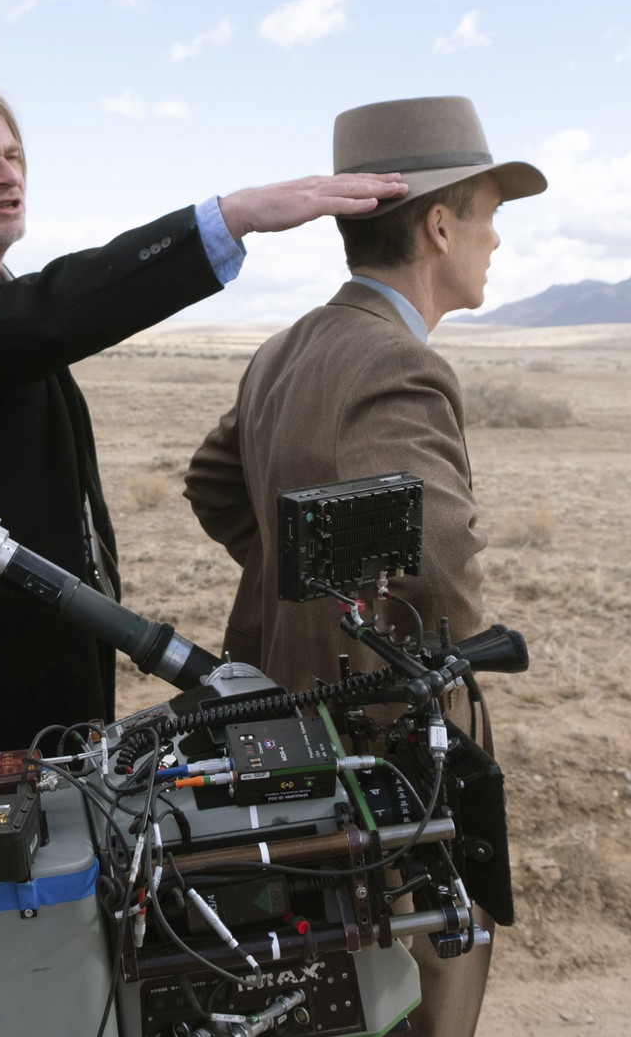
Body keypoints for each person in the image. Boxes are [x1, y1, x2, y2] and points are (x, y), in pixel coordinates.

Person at [0, 70, 408, 756]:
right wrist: (228, 220)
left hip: (29, 655)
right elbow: (50, 314)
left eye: (13, 155)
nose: (5, 173)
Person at [183, 94, 547, 1037]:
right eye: (488, 214)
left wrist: (291, 589)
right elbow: (439, 549)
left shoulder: (285, 348)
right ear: (437, 225)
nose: (496, 240)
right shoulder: (402, 364)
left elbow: (215, 483)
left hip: (278, 726)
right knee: (414, 980)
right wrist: (451, 663)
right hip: (382, 749)